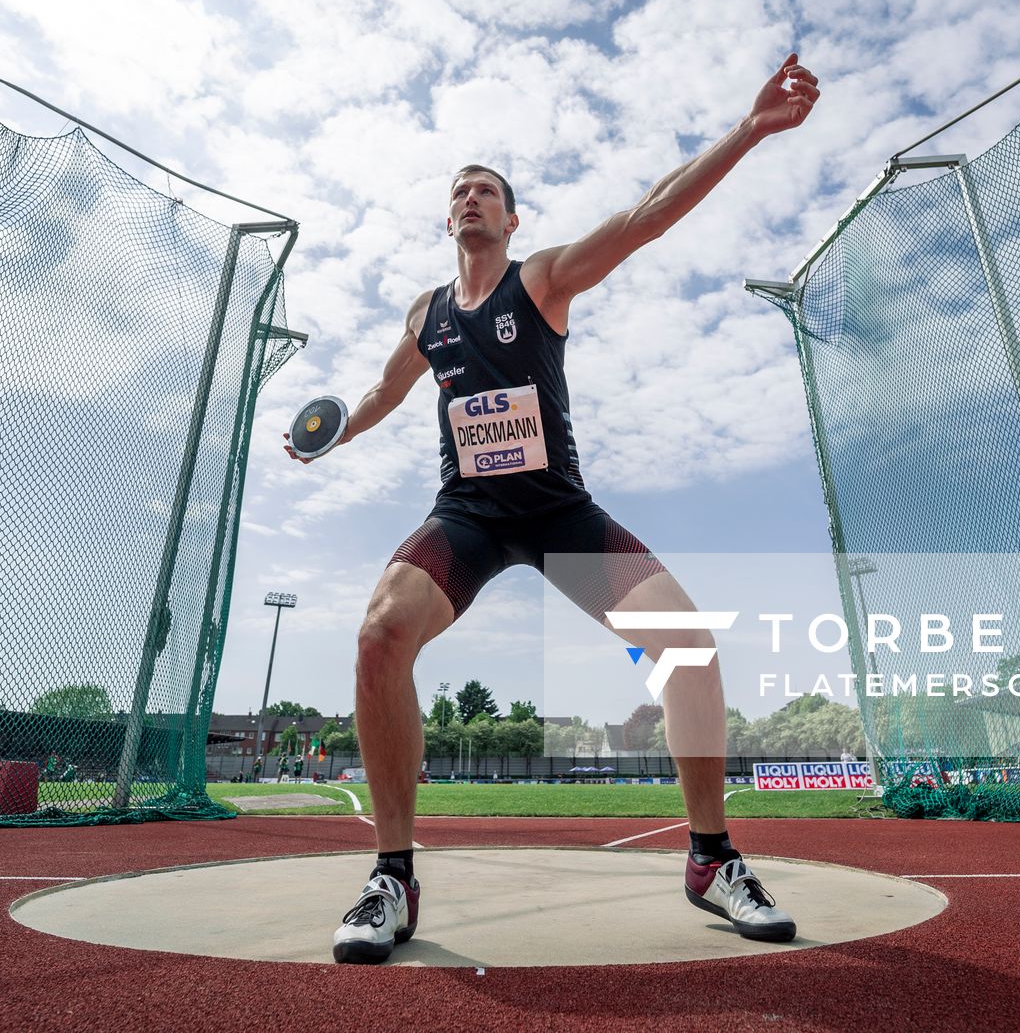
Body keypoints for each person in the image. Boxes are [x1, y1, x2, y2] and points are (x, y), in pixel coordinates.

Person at [288, 55, 819, 963]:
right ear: (447, 219)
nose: (471, 199)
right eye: (459, 192)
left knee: (686, 644)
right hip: (469, 518)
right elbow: (384, 391)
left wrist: (749, 129)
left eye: (487, 191)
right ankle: (392, 878)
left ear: (512, 219)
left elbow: (645, 217)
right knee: (381, 633)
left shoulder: (540, 282)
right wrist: (335, 432)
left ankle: (711, 859)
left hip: (560, 514)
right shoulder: (425, 315)